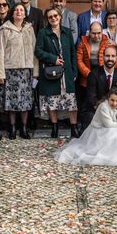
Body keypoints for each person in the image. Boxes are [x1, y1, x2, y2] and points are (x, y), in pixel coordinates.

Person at [54, 87, 117, 166]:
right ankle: (110, 154)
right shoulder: (103, 106)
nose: (114, 103)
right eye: (112, 100)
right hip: (99, 131)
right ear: (108, 98)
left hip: (112, 129)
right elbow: (109, 124)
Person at [0, 3, 38, 139]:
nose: (19, 12)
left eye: (22, 10)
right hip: (10, 70)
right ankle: (12, 128)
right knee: (11, 101)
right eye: (16, 10)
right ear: (12, 13)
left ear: (25, 14)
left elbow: (34, 51)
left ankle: (24, 128)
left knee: (25, 101)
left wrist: (35, 72)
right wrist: (0, 73)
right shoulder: (4, 30)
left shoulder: (29, 29)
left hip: (26, 70)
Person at [35, 7, 79, 138]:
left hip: (67, 73)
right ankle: (54, 128)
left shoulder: (67, 32)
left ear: (60, 16)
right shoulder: (43, 33)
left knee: (71, 102)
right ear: (47, 19)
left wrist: (74, 71)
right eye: (50, 17)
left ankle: (74, 128)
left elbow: (72, 52)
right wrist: (53, 59)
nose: (53, 18)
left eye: (55, 16)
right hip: (50, 72)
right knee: (52, 101)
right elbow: (38, 51)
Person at [81, 46, 117, 128]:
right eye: (107, 56)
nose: (110, 58)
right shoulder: (93, 74)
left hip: (114, 106)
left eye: (113, 56)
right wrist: (105, 110)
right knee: (90, 116)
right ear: (103, 57)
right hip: (96, 107)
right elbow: (92, 98)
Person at [76, 21, 113, 91]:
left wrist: (105, 73)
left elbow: (114, 59)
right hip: (87, 76)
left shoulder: (107, 42)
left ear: (102, 32)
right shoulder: (83, 42)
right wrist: (88, 74)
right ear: (89, 32)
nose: (96, 36)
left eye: (99, 33)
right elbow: (79, 61)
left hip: (103, 75)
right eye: (94, 33)